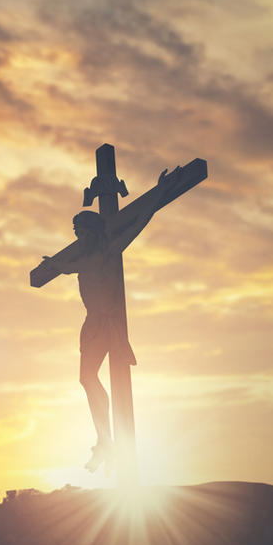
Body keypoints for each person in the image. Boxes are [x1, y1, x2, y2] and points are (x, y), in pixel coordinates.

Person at [43, 167, 178, 473]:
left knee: (99, 378)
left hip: (107, 324)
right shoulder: (80, 262)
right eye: (76, 233)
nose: (79, 237)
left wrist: (160, 191)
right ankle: (104, 439)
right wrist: (52, 263)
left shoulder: (107, 254)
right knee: (86, 379)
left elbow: (139, 222)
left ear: (95, 232)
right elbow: (62, 268)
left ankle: (108, 441)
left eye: (83, 232)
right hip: (91, 326)